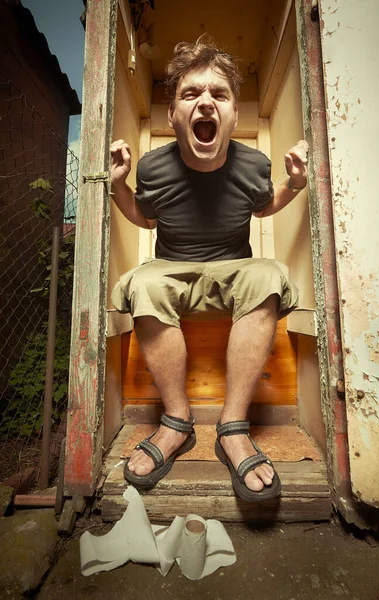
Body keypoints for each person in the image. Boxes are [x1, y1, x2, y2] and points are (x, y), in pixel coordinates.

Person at [110, 37, 308, 502]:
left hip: (234, 271)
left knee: (267, 274)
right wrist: (118, 186)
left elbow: (263, 209)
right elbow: (146, 217)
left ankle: (232, 426)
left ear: (234, 117)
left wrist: (295, 185)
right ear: (173, 116)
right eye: (190, 94)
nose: (205, 103)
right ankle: (177, 422)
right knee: (143, 281)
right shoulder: (155, 167)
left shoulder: (253, 164)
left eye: (219, 95)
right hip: (172, 270)